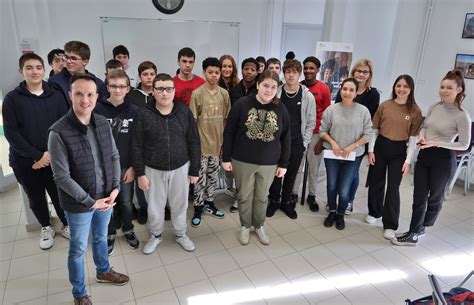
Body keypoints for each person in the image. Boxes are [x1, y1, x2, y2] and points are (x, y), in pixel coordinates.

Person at [48, 73, 129, 305]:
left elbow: (113, 155)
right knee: (78, 249)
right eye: (79, 94)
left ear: (97, 96)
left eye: (90, 94)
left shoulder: (102, 122)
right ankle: (80, 293)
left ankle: (103, 271)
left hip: (105, 197)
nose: (85, 99)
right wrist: (90, 201)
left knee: (101, 238)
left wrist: (114, 187)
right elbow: (61, 176)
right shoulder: (58, 132)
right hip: (79, 204)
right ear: (70, 95)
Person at [392, 70, 471, 246]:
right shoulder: (435, 106)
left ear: (459, 90)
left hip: (443, 159)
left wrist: (437, 144)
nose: (444, 90)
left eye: (449, 88)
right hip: (425, 155)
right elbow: (424, 126)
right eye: (442, 87)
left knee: (435, 197)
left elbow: (464, 145)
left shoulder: (462, 115)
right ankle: (414, 231)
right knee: (419, 196)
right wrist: (422, 135)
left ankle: (421, 228)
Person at [2, 53, 69, 250]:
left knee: (59, 194)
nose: (34, 72)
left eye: (38, 67)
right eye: (29, 68)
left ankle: (66, 225)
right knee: (35, 196)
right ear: (21, 71)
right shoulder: (12, 99)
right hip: (26, 161)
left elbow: (65, 125)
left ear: (44, 69)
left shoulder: (56, 94)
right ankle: (46, 226)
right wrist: (38, 155)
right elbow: (11, 133)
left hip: (55, 158)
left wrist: (49, 154)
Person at [132, 73, 200, 254]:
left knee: (180, 205)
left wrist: (194, 169)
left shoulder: (184, 111)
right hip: (152, 169)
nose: (165, 93)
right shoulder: (143, 114)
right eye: (160, 89)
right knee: (154, 207)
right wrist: (140, 173)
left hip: (181, 168)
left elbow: (194, 140)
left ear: (174, 90)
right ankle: (155, 235)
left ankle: (180, 234)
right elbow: (136, 145)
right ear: (153, 91)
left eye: (169, 89)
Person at [222, 70, 291, 245]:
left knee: (262, 197)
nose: (269, 90)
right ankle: (245, 226)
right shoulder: (242, 104)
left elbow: (286, 137)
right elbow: (229, 132)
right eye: (266, 86)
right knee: (244, 196)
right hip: (242, 159)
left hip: (269, 162)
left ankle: (258, 225)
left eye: (273, 87)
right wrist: (226, 158)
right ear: (258, 85)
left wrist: (283, 163)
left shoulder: (281, 108)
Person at [366, 75, 423, 240]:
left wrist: (408, 161)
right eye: (398, 85)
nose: (401, 89)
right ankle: (374, 212)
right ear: (394, 87)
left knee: (393, 187)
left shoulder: (414, 111)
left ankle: (390, 224)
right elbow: (374, 130)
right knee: (376, 182)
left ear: (411, 89)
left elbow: (413, 138)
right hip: (380, 147)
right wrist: (371, 151)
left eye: (405, 86)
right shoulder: (385, 105)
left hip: (399, 150)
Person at [94, 70, 140, 255]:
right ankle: (110, 234)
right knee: (107, 203)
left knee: (126, 202)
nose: (118, 89)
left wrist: (133, 167)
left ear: (128, 88)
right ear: (107, 88)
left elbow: (138, 142)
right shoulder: (97, 109)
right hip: (103, 168)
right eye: (114, 86)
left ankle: (128, 230)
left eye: (122, 86)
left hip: (125, 167)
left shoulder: (135, 111)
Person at [320, 78, 372, 230]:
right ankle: (332, 211)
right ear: (340, 90)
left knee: (343, 190)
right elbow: (323, 131)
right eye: (345, 89)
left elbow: (368, 134)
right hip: (333, 155)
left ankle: (341, 214)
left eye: (351, 90)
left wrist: (353, 146)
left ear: (356, 93)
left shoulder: (363, 111)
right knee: (331, 186)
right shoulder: (331, 110)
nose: (347, 93)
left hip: (353, 156)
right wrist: (333, 143)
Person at [266, 59, 316, 219]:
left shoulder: (307, 96)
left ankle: (286, 202)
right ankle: (274, 200)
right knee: (276, 173)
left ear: (299, 74)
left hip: (296, 142)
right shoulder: (276, 92)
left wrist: (304, 142)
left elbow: (311, 122)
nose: (291, 75)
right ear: (284, 73)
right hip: (276, 142)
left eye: (294, 72)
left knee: (291, 173)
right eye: (288, 72)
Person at [335, 58, 380, 214]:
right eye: (359, 71)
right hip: (340, 138)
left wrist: (360, 144)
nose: (361, 74)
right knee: (339, 172)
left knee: (352, 173)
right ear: (353, 72)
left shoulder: (373, 94)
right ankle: (338, 199)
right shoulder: (345, 88)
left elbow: (370, 121)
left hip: (359, 141)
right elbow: (336, 111)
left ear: (369, 75)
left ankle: (348, 201)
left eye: (365, 72)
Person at [189, 57, 230, 226]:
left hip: (217, 146)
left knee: (213, 178)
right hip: (201, 147)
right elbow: (192, 122)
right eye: (210, 72)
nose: (214, 76)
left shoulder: (224, 94)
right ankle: (198, 207)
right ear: (204, 73)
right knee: (200, 179)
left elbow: (226, 120)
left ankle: (210, 204)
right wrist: (195, 147)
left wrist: (223, 145)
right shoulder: (197, 94)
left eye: (217, 73)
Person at [291, 56, 331, 212]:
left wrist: (322, 139)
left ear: (317, 70)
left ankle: (312, 195)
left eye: (311, 68)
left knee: (313, 168)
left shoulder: (324, 89)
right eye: (306, 68)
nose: (308, 71)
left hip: (317, 135)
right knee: (297, 166)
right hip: (300, 134)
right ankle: (293, 193)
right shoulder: (298, 87)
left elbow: (328, 116)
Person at [127, 61, 157, 223]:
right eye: (145, 74)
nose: (149, 77)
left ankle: (162, 207)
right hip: (138, 142)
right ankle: (143, 208)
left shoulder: (159, 93)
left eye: (152, 74)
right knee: (141, 175)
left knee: (157, 177)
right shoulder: (132, 95)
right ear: (140, 76)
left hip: (156, 144)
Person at [49, 41, 107, 105]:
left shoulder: (98, 83)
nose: (68, 61)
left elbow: (102, 108)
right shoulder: (55, 82)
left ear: (85, 61)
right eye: (66, 57)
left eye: (73, 58)